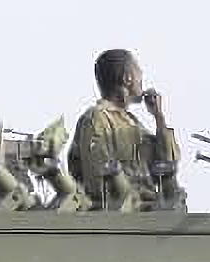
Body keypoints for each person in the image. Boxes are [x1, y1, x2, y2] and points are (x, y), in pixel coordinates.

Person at [67, 49, 181, 208]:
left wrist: (158, 117)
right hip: (120, 219)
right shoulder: (97, 119)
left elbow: (169, 163)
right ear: (127, 78)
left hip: (150, 213)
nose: (142, 76)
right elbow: (97, 180)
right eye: (138, 71)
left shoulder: (132, 123)